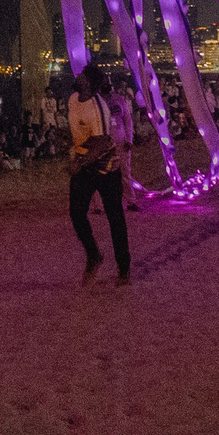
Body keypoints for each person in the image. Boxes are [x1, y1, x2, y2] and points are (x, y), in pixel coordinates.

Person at [68, 63, 130, 285]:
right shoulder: (73, 99)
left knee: (115, 218)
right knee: (76, 212)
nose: (79, 76)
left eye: (84, 75)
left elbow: (102, 141)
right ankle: (94, 254)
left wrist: (80, 161)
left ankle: (124, 268)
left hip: (106, 167)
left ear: (91, 83)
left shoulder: (99, 107)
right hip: (84, 163)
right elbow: (77, 130)